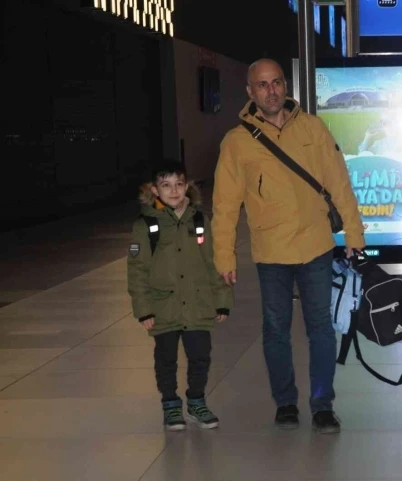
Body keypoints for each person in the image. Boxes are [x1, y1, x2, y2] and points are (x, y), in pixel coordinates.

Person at [212, 58, 365, 434]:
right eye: (262, 85)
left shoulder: (313, 128)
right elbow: (225, 205)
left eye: (277, 82)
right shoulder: (236, 142)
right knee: (276, 329)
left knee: (321, 328)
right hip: (271, 252)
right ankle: (285, 403)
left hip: (315, 245)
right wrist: (223, 254)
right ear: (250, 92)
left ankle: (322, 405)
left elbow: (339, 182)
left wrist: (354, 234)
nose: (272, 91)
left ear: (286, 85)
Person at [127, 160, 233, 431]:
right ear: (154, 190)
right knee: (166, 359)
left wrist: (222, 300)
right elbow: (137, 270)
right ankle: (170, 405)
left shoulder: (199, 220)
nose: (173, 191)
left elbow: (213, 262)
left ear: (187, 187)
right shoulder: (146, 224)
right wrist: (143, 309)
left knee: (200, 356)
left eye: (178, 184)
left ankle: (197, 401)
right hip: (164, 306)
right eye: (166, 185)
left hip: (198, 304)